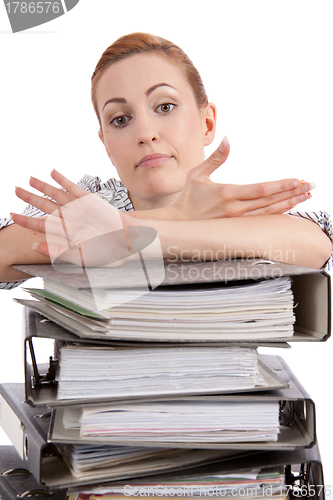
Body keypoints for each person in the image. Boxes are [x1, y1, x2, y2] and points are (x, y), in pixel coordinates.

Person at [0, 33, 332, 288]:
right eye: (120, 119)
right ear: (105, 144)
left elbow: (318, 248)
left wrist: (129, 232)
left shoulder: (238, 206)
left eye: (164, 107)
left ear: (207, 123)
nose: (145, 133)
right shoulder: (88, 199)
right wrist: (177, 216)